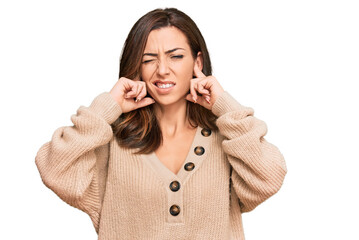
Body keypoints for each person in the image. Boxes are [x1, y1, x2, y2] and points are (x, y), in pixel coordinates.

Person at [35, 8, 287, 239]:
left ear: (197, 63)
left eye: (175, 56)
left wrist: (225, 105)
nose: (162, 70)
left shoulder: (229, 140)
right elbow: (55, 169)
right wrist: (105, 109)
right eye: (148, 59)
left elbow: (269, 177)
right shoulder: (112, 141)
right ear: (137, 68)